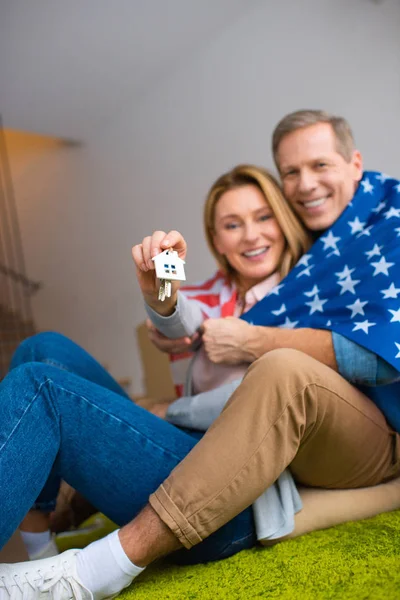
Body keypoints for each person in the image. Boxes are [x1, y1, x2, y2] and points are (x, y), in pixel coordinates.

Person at [1, 110, 400, 600]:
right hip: (181, 441)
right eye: (232, 225)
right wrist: (161, 292)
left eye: (262, 218)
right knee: (40, 350)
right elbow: (185, 320)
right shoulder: (222, 293)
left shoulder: (318, 281)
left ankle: (82, 569)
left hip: (231, 474)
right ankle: (40, 545)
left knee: (41, 388)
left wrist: (172, 406)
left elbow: (288, 388)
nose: (251, 235)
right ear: (217, 241)